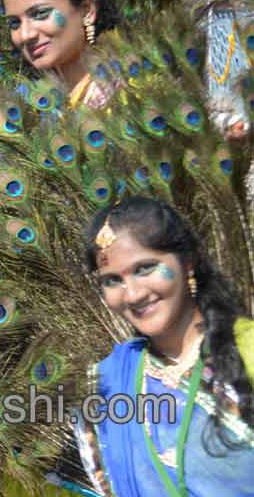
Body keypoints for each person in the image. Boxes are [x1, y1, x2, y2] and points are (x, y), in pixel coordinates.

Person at [74, 197, 254, 496]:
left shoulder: (246, 348)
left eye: (145, 268)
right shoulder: (106, 386)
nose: (132, 294)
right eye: (112, 280)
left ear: (187, 261)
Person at [0, 0, 122, 110]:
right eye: (15, 23)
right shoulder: (26, 109)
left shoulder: (129, 92)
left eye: (40, 14)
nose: (25, 35)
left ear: (87, 9)